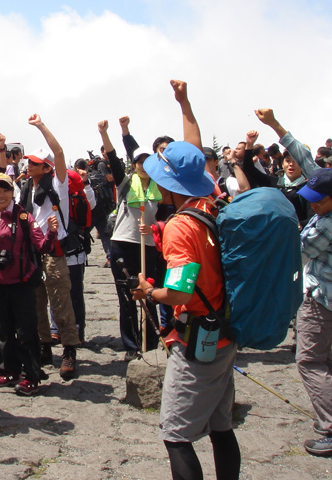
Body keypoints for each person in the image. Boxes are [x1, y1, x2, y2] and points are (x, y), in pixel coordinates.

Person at [132, 80, 241, 480]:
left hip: (197, 341)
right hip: (224, 331)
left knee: (176, 434)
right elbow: (193, 154)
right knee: (220, 426)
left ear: (167, 183)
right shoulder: (210, 200)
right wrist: (185, 104)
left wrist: (149, 291)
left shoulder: (179, 228)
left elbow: (179, 290)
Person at [0, 173, 57, 396]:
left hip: (22, 284)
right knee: (2, 329)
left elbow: (42, 247)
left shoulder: (24, 217)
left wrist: (52, 233)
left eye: (5, 190)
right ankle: (9, 370)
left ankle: (31, 375)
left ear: (13, 192)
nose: (1, 195)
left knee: (26, 331)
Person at [17, 114, 79, 380]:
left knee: (60, 300)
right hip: (32, 252)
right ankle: (44, 347)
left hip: (54, 252)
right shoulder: (25, 189)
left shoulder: (58, 185)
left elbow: (59, 151)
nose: (29, 165)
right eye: (29, 161)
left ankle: (69, 350)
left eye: (35, 163)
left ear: (47, 168)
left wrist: (40, 126)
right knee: (37, 302)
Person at [98, 119, 160, 360]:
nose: (143, 165)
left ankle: (151, 342)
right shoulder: (125, 183)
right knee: (127, 297)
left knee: (150, 294)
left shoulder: (162, 187)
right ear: (134, 164)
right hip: (122, 243)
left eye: (148, 161)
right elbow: (113, 159)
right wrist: (105, 133)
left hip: (149, 246)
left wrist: (154, 230)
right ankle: (131, 345)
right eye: (139, 161)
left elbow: (166, 219)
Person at [294, 168, 332, 456]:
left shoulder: (325, 226)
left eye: (319, 200)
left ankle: (330, 426)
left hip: (321, 301)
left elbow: (300, 253)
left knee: (309, 361)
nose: (313, 204)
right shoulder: (322, 217)